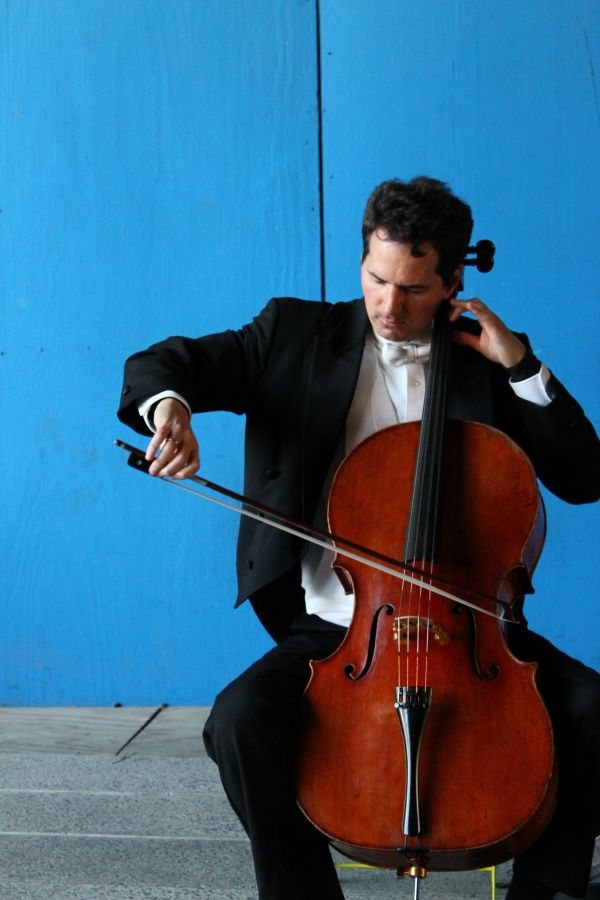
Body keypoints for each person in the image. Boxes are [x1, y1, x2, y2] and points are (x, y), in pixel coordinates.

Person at [117, 177, 600, 900]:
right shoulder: (292, 334)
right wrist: (172, 414)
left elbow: (583, 476)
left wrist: (523, 367)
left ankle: (548, 890)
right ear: (363, 261)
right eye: (376, 279)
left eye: (413, 288)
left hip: (471, 627)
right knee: (238, 721)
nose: (389, 306)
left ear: (454, 280)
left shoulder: (489, 362)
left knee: (593, 710)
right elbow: (166, 365)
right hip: (342, 629)